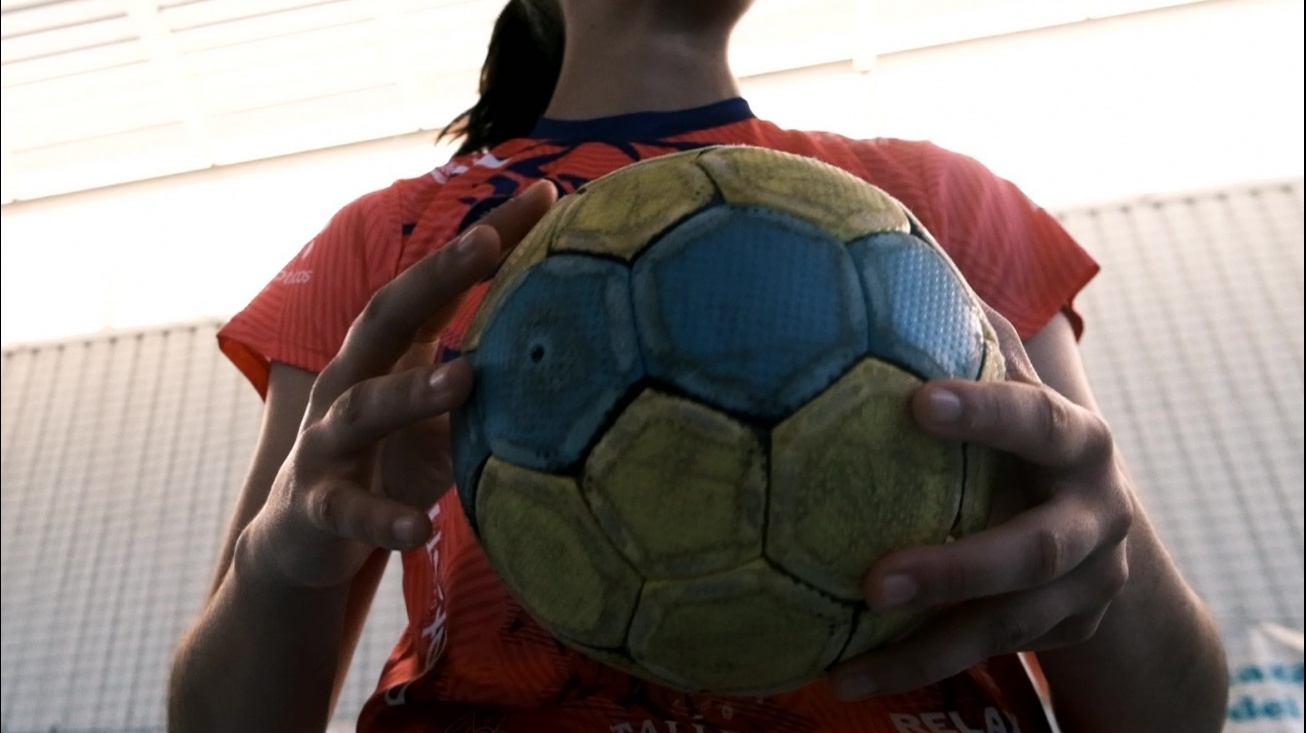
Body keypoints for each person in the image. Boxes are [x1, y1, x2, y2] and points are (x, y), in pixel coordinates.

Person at [167, 1, 1230, 731]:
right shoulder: (396, 236)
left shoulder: (937, 202)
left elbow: (1172, 711)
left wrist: (1108, 561)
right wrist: (289, 550)